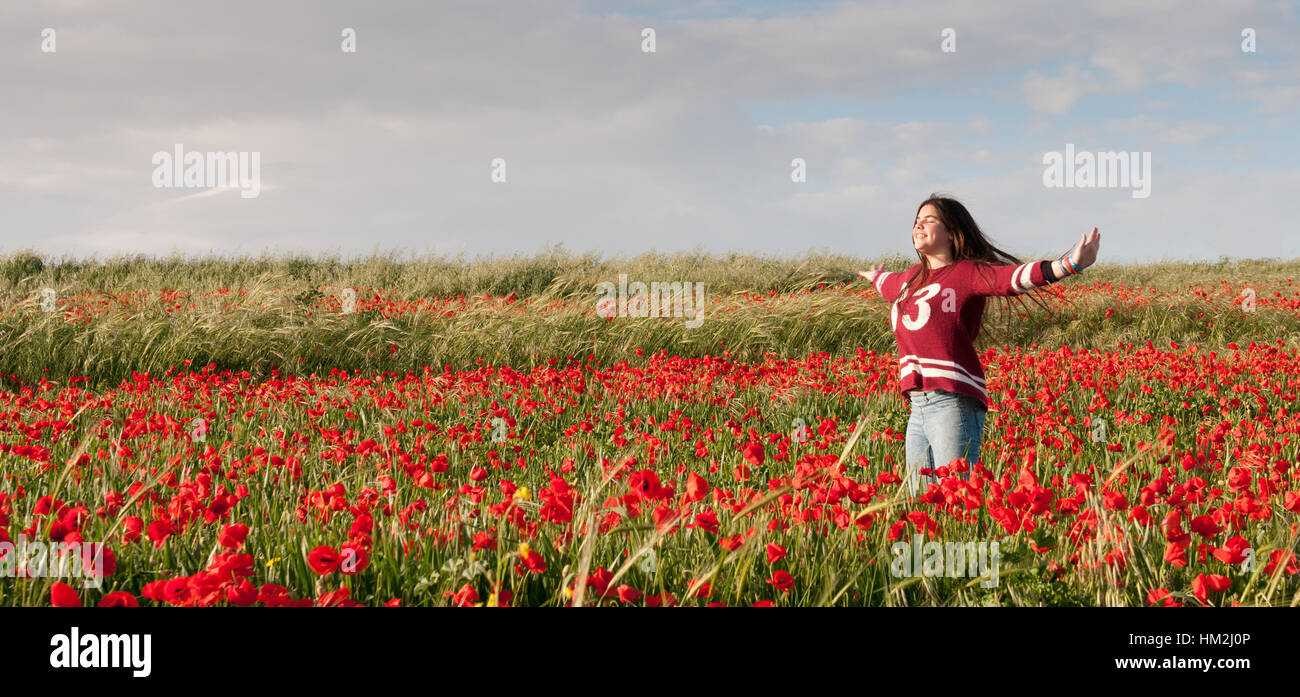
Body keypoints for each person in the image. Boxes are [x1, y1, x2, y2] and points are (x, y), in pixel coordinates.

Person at [859, 194, 1100, 498]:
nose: (919, 224)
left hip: (952, 402)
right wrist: (874, 276)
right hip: (917, 407)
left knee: (957, 498)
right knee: (920, 502)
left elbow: (1011, 279)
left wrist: (1069, 265)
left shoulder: (967, 273)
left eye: (929, 219)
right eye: (916, 220)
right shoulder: (909, 280)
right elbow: (887, 283)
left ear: (951, 230)